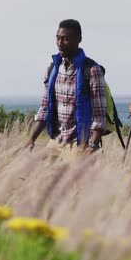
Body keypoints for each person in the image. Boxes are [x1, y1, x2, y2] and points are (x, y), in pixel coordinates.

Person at [26, 19, 107, 158]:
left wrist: (92, 147)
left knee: (74, 180)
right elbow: (45, 107)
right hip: (55, 141)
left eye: (65, 39)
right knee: (39, 176)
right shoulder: (53, 69)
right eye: (57, 39)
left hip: (79, 145)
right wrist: (31, 139)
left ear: (78, 39)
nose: (60, 43)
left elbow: (99, 116)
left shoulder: (92, 70)